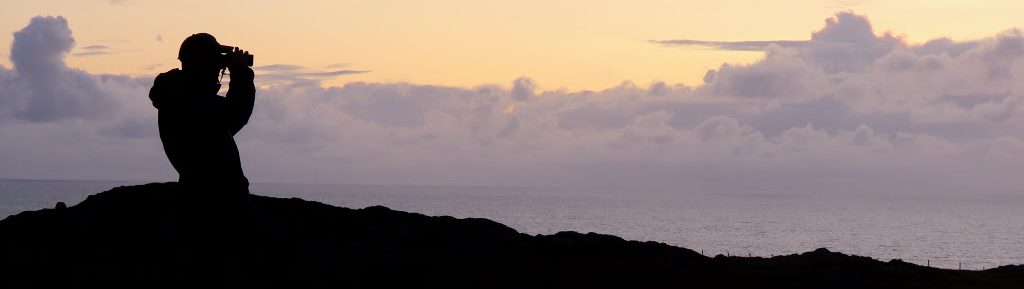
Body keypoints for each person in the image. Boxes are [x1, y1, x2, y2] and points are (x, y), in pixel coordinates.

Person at [149, 33, 255, 206]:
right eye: (215, 64)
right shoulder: (186, 99)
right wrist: (241, 73)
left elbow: (231, 118)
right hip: (212, 198)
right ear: (201, 64)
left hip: (198, 192)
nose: (218, 70)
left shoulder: (175, 95)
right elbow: (237, 113)